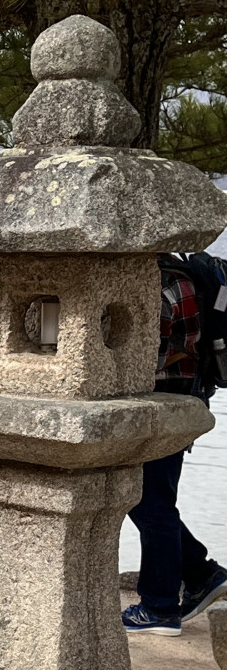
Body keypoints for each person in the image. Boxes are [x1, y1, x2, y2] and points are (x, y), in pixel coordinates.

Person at [123, 261, 227, 636]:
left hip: (167, 404)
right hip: (182, 399)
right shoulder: (177, 273)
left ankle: (160, 607)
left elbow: (150, 358)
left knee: (151, 505)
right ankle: (202, 573)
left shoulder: (163, 285)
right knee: (150, 501)